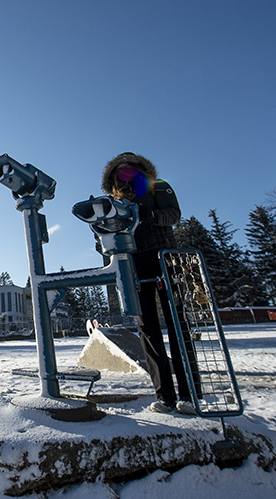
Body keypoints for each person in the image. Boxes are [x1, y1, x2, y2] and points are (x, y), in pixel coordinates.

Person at [101, 152, 196, 415]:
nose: (126, 173)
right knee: (148, 330)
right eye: (120, 171)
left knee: (178, 324)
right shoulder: (113, 200)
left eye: (131, 168)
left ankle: (189, 392)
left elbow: (173, 214)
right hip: (134, 264)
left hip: (165, 258)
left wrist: (150, 215)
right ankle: (164, 395)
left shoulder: (158, 186)